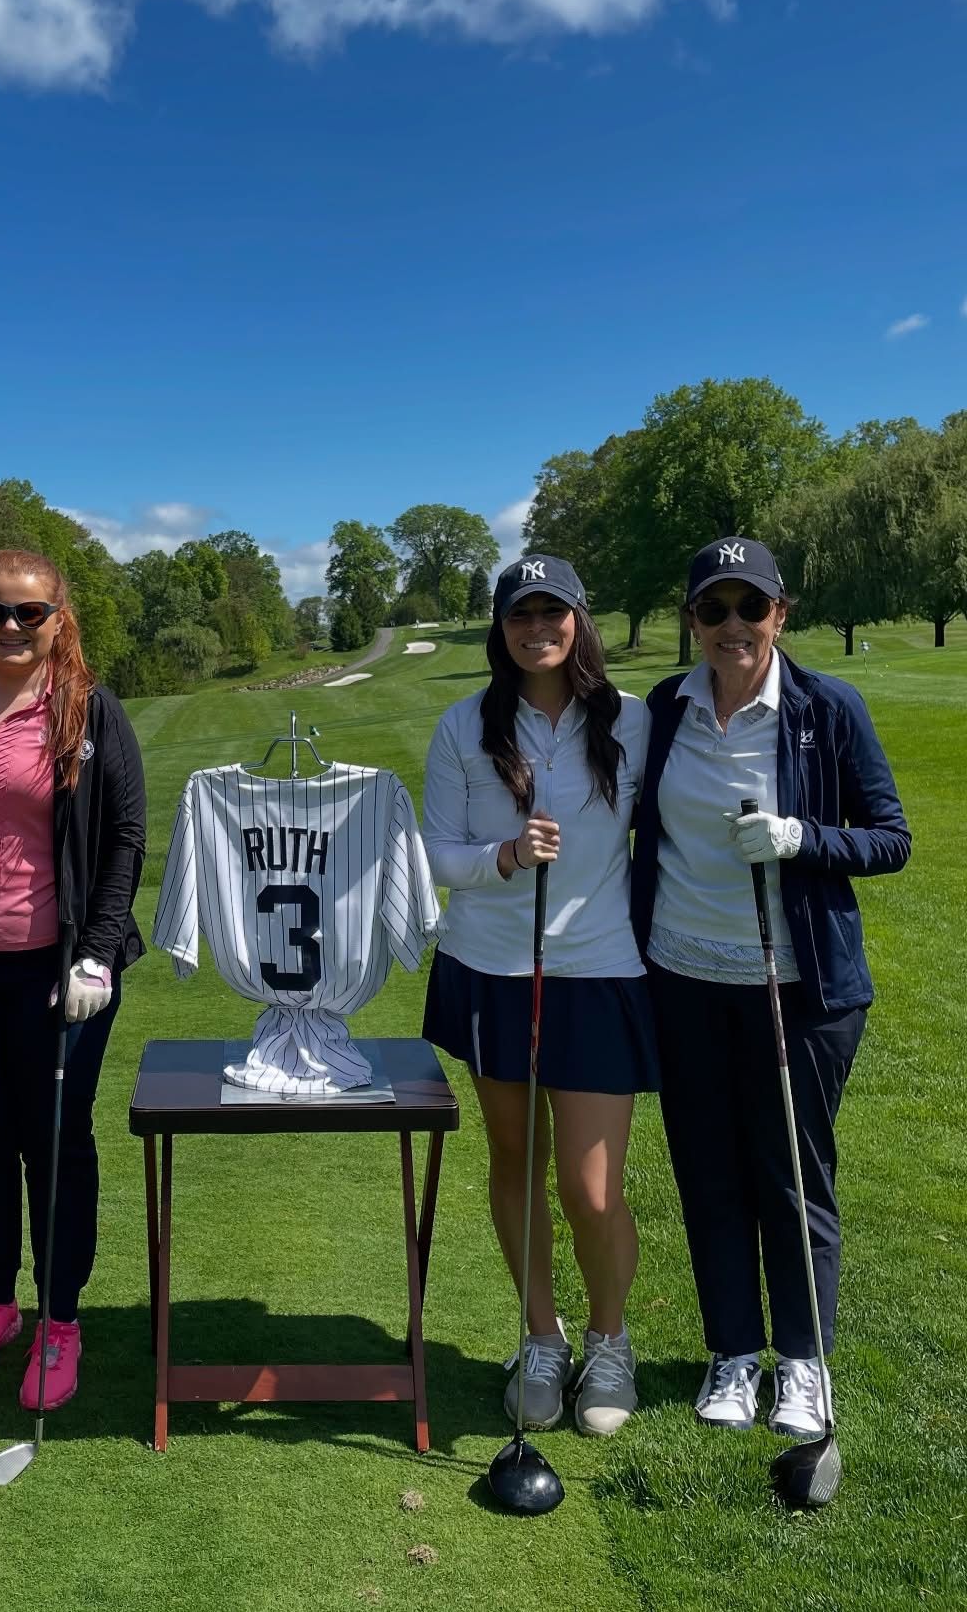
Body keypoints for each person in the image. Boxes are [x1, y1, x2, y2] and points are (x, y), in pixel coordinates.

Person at [631, 538, 909, 1440]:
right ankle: (732, 1355)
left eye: (750, 608)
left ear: (780, 616)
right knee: (708, 1173)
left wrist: (801, 839)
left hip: (800, 986)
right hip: (683, 977)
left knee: (791, 1177)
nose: (732, 627)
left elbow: (890, 837)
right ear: (693, 621)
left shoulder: (828, 709)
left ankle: (802, 1363)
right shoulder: (662, 711)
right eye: (713, 610)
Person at [0, 549, 146, 1412]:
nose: (10, 628)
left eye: (29, 613)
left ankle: (62, 1320)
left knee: (54, 1144)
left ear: (59, 615)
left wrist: (100, 950)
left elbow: (124, 838)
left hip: (57, 971)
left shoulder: (89, 709)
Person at [421, 554, 655, 1437]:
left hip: (598, 972)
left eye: (554, 614)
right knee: (516, 1163)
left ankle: (608, 1340)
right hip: (491, 971)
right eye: (522, 615)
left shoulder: (633, 722)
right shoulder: (464, 725)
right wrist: (504, 857)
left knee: (591, 1189)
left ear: (580, 621)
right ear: (502, 627)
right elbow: (436, 849)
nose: (539, 629)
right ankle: (540, 1337)